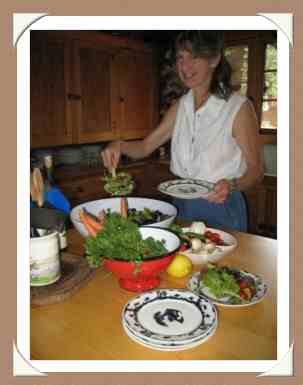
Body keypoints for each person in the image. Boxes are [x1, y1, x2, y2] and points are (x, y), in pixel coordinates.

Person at [101, 31, 264, 232]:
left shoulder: (237, 107)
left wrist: (231, 185)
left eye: (194, 57)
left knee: (220, 263)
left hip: (220, 205)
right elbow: (145, 147)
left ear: (214, 59)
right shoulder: (181, 106)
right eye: (180, 57)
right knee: (181, 262)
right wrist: (119, 145)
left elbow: (256, 170)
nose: (184, 66)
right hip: (181, 202)